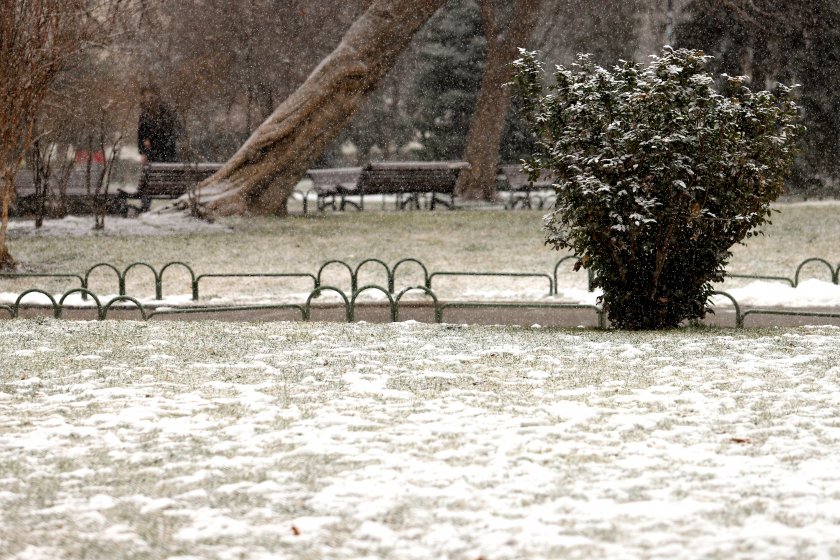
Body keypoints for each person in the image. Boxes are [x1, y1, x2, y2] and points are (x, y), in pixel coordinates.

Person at [137, 84, 180, 210]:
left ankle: (145, 206)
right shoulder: (167, 112)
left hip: (156, 155)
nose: (149, 98)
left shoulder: (147, 114)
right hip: (167, 154)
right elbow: (175, 133)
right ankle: (175, 204)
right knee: (171, 181)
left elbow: (141, 137)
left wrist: (145, 148)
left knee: (148, 180)